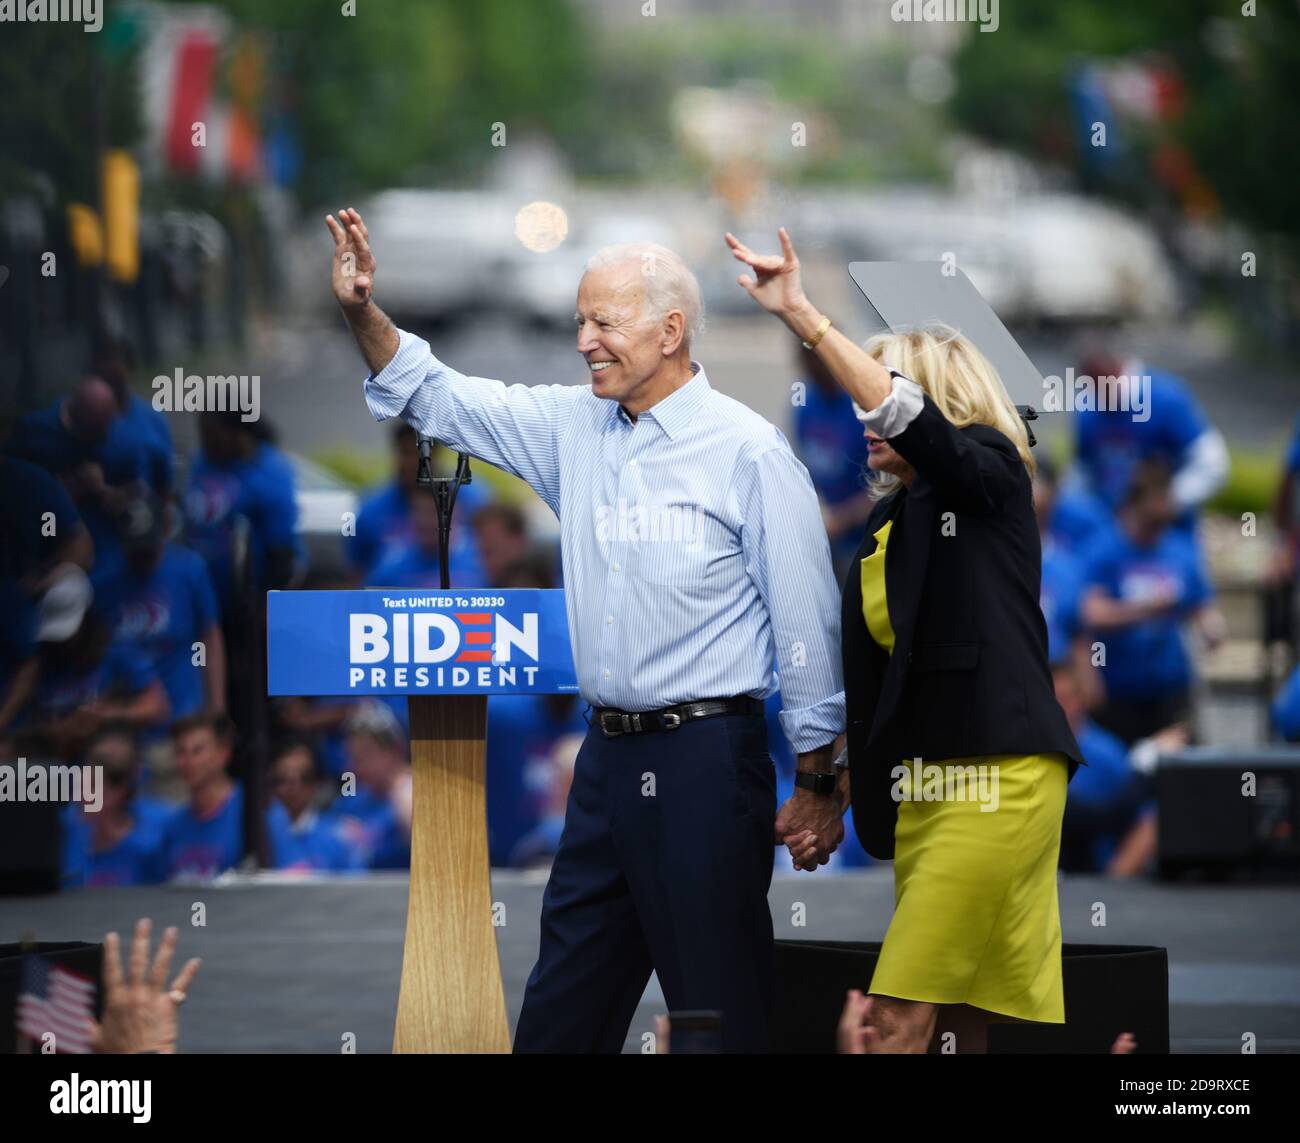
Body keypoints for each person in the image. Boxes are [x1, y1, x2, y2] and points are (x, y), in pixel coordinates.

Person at [329, 207, 844, 1053]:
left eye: (604, 321)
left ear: (671, 330)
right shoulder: (572, 427)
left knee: (720, 1023)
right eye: (579, 321)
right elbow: (437, 395)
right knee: (558, 1022)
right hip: (604, 770)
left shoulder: (748, 452)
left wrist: (821, 777)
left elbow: (806, 624)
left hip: (708, 769)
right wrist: (360, 311)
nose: (583, 341)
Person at [727, 227, 1083, 1053]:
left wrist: (806, 318)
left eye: (881, 393)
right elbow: (890, 682)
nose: (862, 410)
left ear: (937, 403)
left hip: (996, 782)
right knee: (959, 1023)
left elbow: (920, 427)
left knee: (894, 1018)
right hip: (927, 793)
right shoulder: (892, 520)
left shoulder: (991, 473)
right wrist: (833, 785)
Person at [1079, 460, 1224, 744]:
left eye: (1162, 521)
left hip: (1170, 690)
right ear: (1132, 507)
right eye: (1150, 521)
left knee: (1178, 777)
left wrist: (1212, 627)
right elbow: (1089, 613)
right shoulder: (1103, 550)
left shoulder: (1180, 551)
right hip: (1117, 694)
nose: (1156, 530)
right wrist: (1144, 610)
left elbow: (1202, 606)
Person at [1071, 346, 1227, 537]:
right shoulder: (1088, 411)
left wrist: (1172, 499)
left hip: (1167, 535)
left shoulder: (1166, 400)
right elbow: (1081, 475)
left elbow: (1212, 463)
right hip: (1110, 533)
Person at [791, 344, 874, 576]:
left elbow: (889, 486)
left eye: (819, 359)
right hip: (828, 538)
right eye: (807, 359)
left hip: (867, 539)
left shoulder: (860, 405)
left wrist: (841, 519)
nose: (814, 367)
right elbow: (805, 469)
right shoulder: (805, 405)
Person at [157, 712, 246, 880]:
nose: (187, 761)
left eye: (197, 751)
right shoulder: (172, 827)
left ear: (223, 753)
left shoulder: (252, 812)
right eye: (180, 752)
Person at [268, 739, 358, 873]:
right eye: (282, 779)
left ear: (317, 784)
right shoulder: (260, 831)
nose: (293, 787)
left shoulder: (337, 836)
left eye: (304, 778)